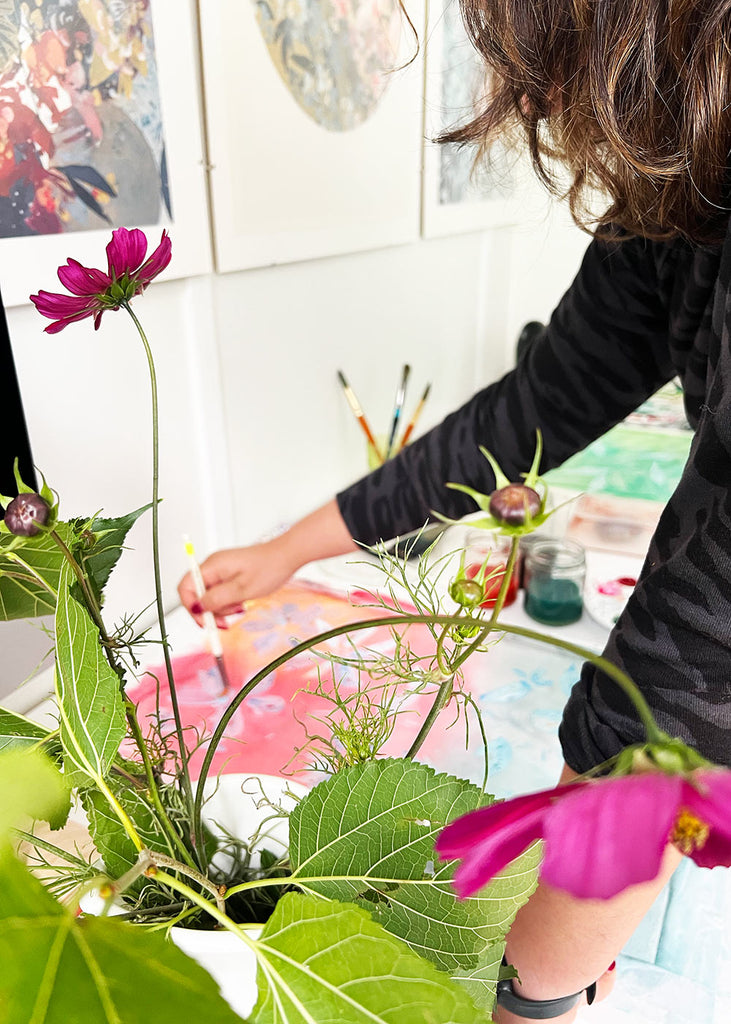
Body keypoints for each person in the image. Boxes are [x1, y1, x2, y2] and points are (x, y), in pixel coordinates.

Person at [179, 1, 731, 1019]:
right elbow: (531, 406)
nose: (524, 94)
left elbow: (695, 646)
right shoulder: (678, 177)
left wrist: (534, 981)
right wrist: (284, 550)